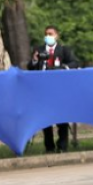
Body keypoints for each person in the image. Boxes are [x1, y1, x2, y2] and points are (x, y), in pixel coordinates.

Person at [27, 26, 81, 154]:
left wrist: (62, 68)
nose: (48, 36)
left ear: (57, 36)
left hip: (60, 89)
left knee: (62, 118)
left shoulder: (64, 50)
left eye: (50, 34)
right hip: (43, 89)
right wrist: (34, 60)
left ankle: (62, 146)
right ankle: (49, 147)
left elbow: (75, 63)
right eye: (46, 34)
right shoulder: (38, 50)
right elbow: (30, 67)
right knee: (46, 120)